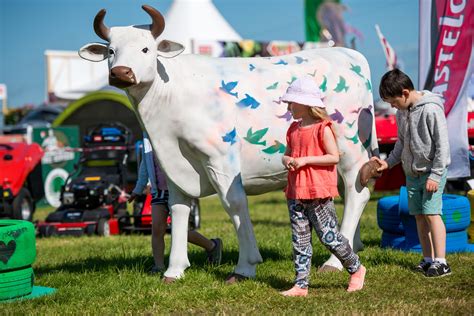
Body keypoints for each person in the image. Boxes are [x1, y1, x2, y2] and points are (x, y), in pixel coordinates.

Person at [279, 76, 366, 297]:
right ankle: (301, 285)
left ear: (306, 104)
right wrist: (286, 160)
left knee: (330, 237)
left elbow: (333, 157)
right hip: (296, 191)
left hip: (317, 191)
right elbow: (287, 154)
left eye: (292, 103)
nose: (289, 107)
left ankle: (356, 269)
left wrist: (306, 160)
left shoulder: (322, 128)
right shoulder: (293, 129)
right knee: (300, 240)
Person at [371, 69, 451, 277]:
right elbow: (401, 144)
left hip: (432, 173)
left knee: (432, 214)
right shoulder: (402, 114)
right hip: (412, 173)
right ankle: (427, 259)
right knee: (419, 217)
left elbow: (443, 146)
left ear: (405, 93)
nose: (392, 106)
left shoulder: (431, 110)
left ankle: (441, 262)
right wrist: (387, 164)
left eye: (393, 101)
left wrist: (435, 175)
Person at [129, 132, 223, 274]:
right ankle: (159, 266)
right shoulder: (148, 137)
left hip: (178, 190)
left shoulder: (172, 131)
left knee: (180, 230)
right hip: (158, 191)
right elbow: (145, 164)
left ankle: (211, 245)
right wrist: (138, 189)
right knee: (157, 229)